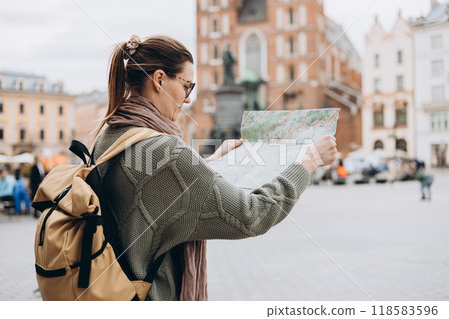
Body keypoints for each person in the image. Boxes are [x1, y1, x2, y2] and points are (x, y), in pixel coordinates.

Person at [92, 35, 337, 301]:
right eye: (187, 86)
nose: (187, 99)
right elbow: (251, 215)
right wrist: (309, 160)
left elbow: (157, 193)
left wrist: (208, 164)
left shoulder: (110, 135)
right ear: (159, 79)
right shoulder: (168, 152)